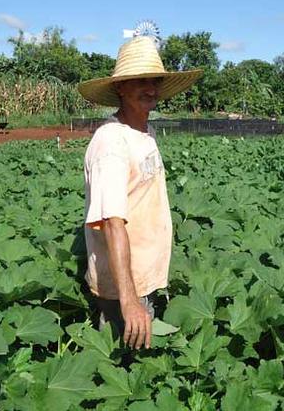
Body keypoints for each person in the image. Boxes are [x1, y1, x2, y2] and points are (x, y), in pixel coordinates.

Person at [77, 34, 202, 350]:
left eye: (154, 80)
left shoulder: (145, 132)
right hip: (124, 286)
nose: (150, 88)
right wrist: (129, 300)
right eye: (139, 81)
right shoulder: (111, 144)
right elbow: (111, 223)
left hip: (143, 277)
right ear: (120, 87)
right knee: (130, 366)